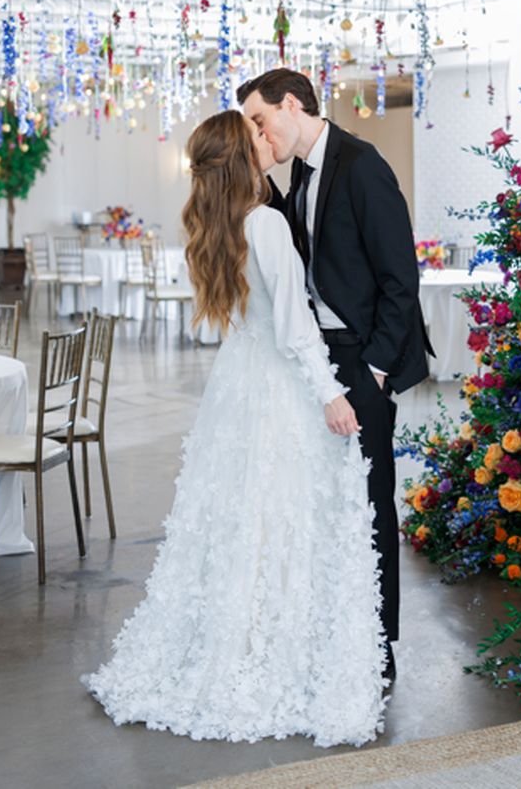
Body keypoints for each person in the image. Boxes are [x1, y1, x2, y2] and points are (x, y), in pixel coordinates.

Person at [84, 110, 387, 747]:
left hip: (238, 383)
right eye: (255, 136)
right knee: (279, 518)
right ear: (243, 158)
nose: (265, 139)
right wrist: (331, 393)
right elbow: (295, 326)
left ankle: (239, 638)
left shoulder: (220, 224)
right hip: (278, 386)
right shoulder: (266, 223)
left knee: (244, 520)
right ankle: (271, 652)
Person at [238, 68, 429, 679]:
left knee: (370, 503)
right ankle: (338, 631)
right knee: (330, 501)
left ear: (292, 105)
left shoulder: (363, 165)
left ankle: (379, 645)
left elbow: (401, 278)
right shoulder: (297, 176)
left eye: (260, 120)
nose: (258, 134)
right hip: (321, 360)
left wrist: (375, 369)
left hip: (362, 360)